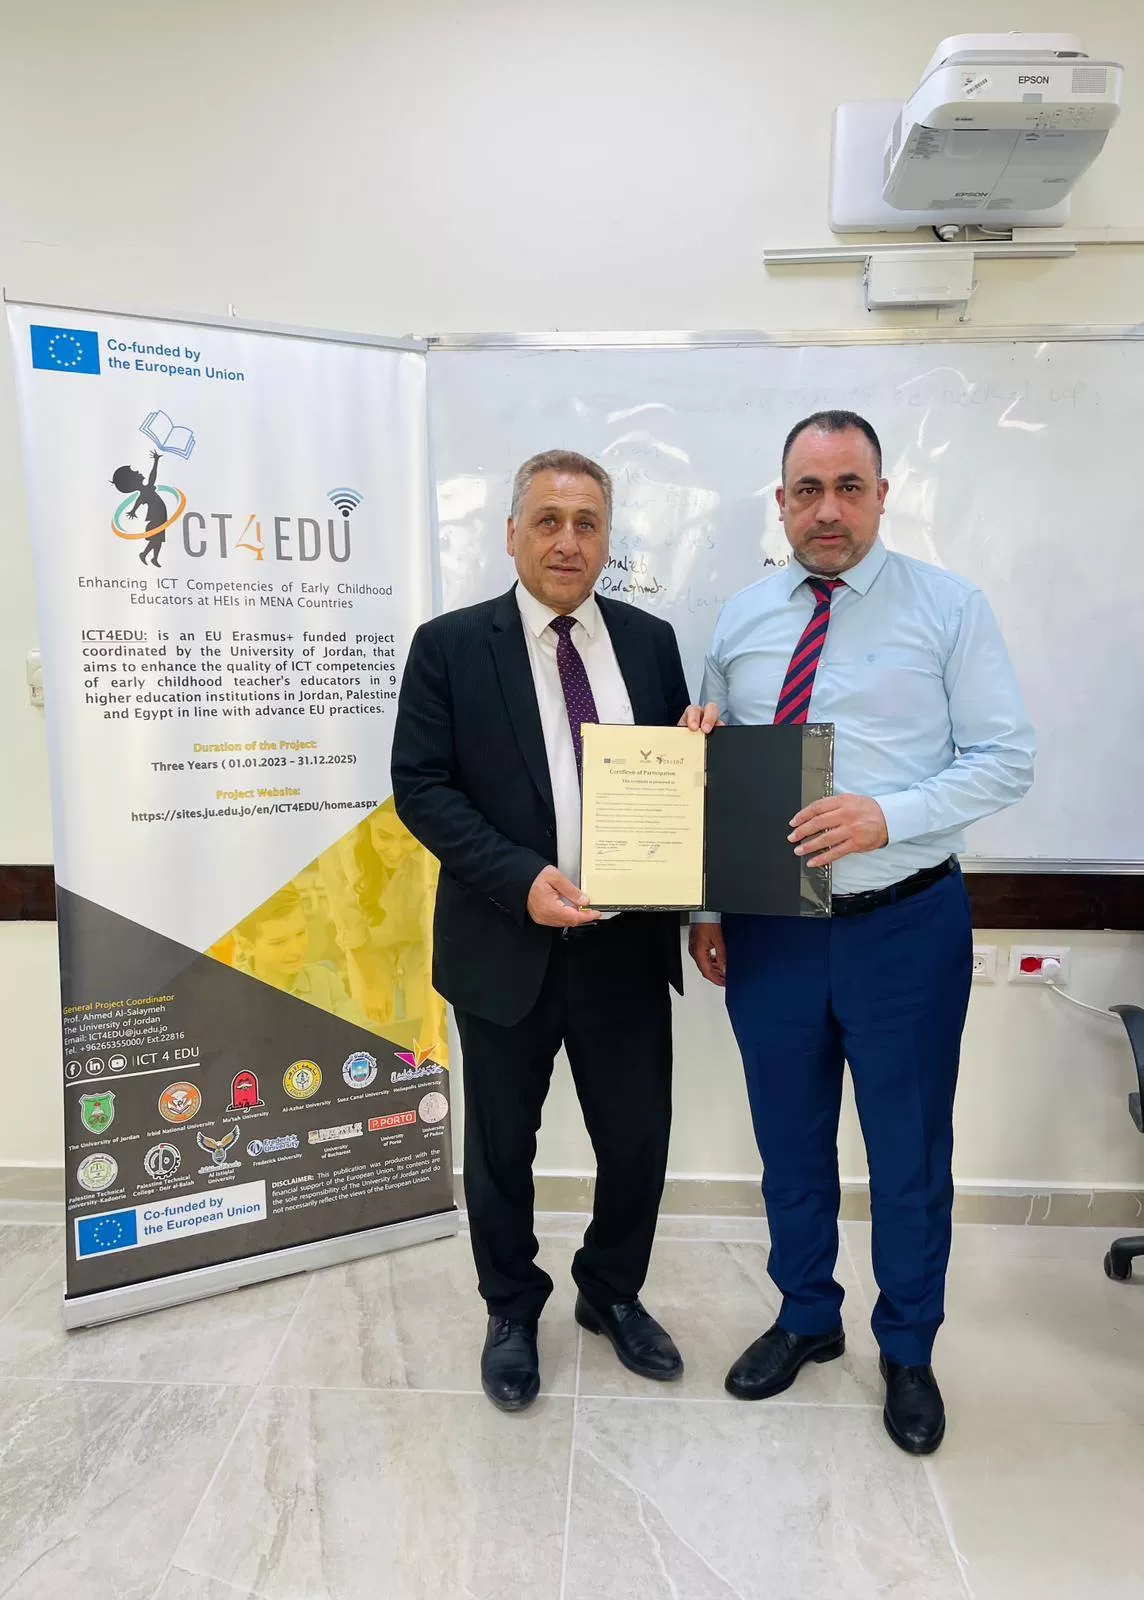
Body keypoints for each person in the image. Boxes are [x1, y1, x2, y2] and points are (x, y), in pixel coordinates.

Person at [685, 411, 1034, 1455]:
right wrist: (708, 906)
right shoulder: (741, 621)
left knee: (908, 1153)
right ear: (781, 502)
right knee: (790, 1144)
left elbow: (1006, 758)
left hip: (904, 926)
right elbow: (711, 774)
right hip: (771, 932)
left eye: (848, 487)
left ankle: (908, 1348)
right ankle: (806, 1316)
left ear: (882, 495)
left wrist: (892, 814)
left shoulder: (950, 608)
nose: (827, 510)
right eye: (807, 489)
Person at [392, 449, 693, 1411]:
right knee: (500, 1152)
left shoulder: (651, 643)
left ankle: (611, 1292)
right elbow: (421, 789)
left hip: (624, 947)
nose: (569, 541)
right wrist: (519, 880)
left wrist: (700, 763)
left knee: (637, 1140)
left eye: (587, 523)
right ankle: (512, 1309)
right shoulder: (449, 645)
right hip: (504, 942)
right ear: (512, 533)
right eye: (549, 520)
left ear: (608, 540)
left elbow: (670, 789)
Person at [112, 449, 167, 566]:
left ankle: (154, 558)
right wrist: (156, 461)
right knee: (156, 539)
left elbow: (139, 501)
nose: (137, 471)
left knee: (159, 539)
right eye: (134, 472)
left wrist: (133, 511)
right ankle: (144, 554)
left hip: (161, 517)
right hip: (156, 518)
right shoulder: (146, 490)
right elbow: (152, 477)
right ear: (132, 481)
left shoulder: (145, 491)